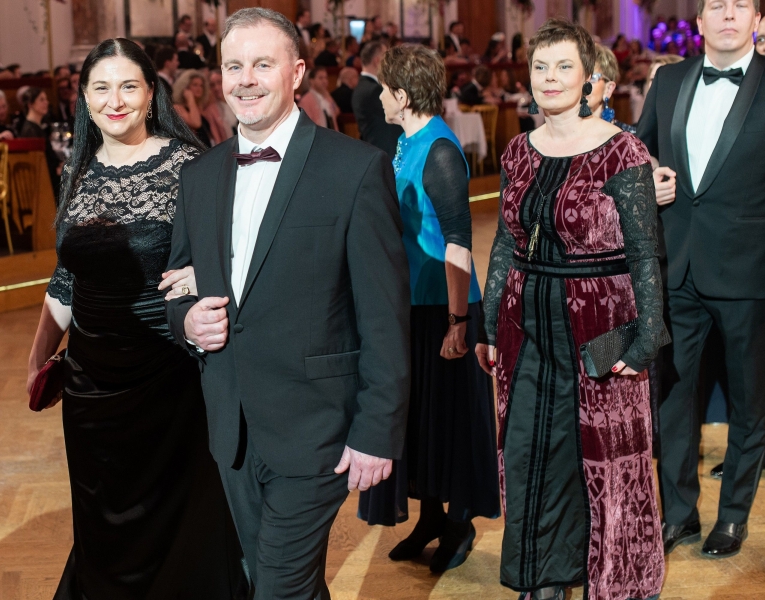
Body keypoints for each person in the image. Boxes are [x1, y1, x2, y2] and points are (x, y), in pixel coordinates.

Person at [164, 8, 410, 599]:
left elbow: (384, 316)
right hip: (232, 426)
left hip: (318, 428)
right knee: (273, 577)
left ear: (296, 73)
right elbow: (176, 284)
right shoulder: (199, 176)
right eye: (233, 66)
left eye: (262, 64)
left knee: (277, 587)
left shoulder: (355, 169)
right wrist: (186, 321)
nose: (245, 80)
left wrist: (377, 429)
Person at [26, 37, 244, 600]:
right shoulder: (76, 168)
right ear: (84, 97)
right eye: (101, 88)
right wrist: (38, 357)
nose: (115, 100)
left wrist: (202, 275)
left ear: (151, 94)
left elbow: (226, 254)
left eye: (128, 86)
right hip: (90, 385)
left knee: (179, 519)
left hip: (168, 375)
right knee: (102, 521)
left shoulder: (188, 165)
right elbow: (67, 277)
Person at [479, 18, 664, 600]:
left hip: (598, 323)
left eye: (564, 66)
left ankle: (606, 575)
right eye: (540, 66)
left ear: (588, 78)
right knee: (530, 449)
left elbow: (644, 250)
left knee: (595, 459)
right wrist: (489, 321)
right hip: (525, 325)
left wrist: (648, 336)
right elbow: (506, 242)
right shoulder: (518, 150)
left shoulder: (622, 150)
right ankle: (543, 577)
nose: (550, 77)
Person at [637, 0, 765, 559]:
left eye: (739, 4)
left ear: (755, 20)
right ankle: (679, 514)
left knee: (748, 402)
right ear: (699, 22)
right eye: (716, 5)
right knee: (673, 399)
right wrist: (650, 176)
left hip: (752, 271)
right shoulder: (669, 80)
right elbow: (637, 151)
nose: (727, 14)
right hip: (678, 266)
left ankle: (734, 516)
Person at [358, 43, 500, 574]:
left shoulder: (438, 149)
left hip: (445, 307)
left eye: (384, 89)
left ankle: (459, 523)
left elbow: (459, 242)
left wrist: (458, 322)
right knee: (422, 423)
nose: (378, 97)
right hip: (414, 305)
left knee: (451, 424)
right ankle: (432, 518)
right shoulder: (407, 140)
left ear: (401, 95)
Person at [352, 40, 403, 157]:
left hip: (379, 151)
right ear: (377, 61)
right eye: (387, 58)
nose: (390, 63)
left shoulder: (365, 86)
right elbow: (400, 114)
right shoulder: (373, 90)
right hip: (385, 153)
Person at [17, 87, 62, 199]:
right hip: (44, 184)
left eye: (46, 99)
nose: (46, 103)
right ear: (30, 104)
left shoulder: (36, 127)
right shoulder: (30, 130)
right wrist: (57, 169)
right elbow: (38, 162)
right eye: (41, 100)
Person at [586, 44, 636, 132]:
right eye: (579, 77)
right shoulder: (562, 134)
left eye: (592, 78)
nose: (583, 84)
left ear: (608, 89)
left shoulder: (625, 137)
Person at [173, 69, 212, 147]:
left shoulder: (200, 107)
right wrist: (190, 99)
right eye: (195, 85)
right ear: (185, 87)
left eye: (201, 85)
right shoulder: (178, 107)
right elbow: (196, 123)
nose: (199, 88)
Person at [204, 68, 237, 144]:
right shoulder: (211, 110)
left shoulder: (238, 101)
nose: (216, 88)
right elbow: (216, 140)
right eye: (212, 85)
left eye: (219, 82)